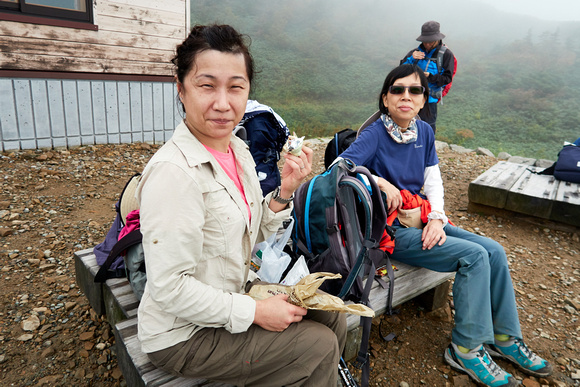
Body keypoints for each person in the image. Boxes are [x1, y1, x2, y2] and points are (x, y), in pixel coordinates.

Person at [135, 24, 346, 386]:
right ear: (181, 88)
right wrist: (256, 312)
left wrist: (284, 191)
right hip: (183, 334)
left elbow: (250, 231)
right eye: (206, 85)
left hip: (232, 290)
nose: (222, 102)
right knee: (318, 344)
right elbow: (169, 288)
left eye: (235, 87)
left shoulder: (237, 149)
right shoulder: (175, 173)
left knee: (331, 314)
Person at [339, 64, 552, 387]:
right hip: (390, 231)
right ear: (385, 98)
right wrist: (378, 181)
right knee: (474, 257)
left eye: (415, 90)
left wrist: (437, 217)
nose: (406, 96)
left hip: (422, 216)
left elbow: (433, 179)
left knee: (493, 250)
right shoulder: (374, 135)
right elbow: (339, 168)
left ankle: (504, 337)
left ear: (424, 99)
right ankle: (465, 348)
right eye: (397, 90)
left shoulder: (423, 131)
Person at [401, 20, 456, 133]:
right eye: (425, 41)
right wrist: (412, 58)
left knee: (427, 130)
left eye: (430, 41)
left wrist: (430, 77)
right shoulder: (415, 52)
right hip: (411, 97)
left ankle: (427, 150)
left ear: (437, 39)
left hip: (429, 101)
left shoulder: (446, 55)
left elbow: (447, 78)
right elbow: (400, 71)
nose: (427, 44)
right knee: (407, 127)